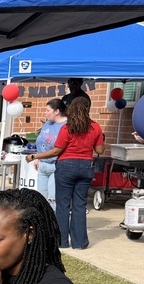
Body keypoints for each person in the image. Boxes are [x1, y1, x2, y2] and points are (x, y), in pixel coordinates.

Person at [28, 100, 105, 250]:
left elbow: (57, 151)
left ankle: (62, 241)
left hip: (66, 167)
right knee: (80, 205)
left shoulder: (67, 128)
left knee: (62, 204)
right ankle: (79, 243)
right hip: (86, 167)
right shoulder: (95, 127)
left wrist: (36, 156)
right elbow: (100, 151)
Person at [32, 99, 67, 209]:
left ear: (56, 111)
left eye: (48, 110)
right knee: (41, 199)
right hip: (43, 165)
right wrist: (38, 157)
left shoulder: (66, 126)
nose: (45, 113)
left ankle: (53, 224)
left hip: (56, 166)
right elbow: (41, 141)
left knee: (53, 199)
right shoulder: (47, 123)